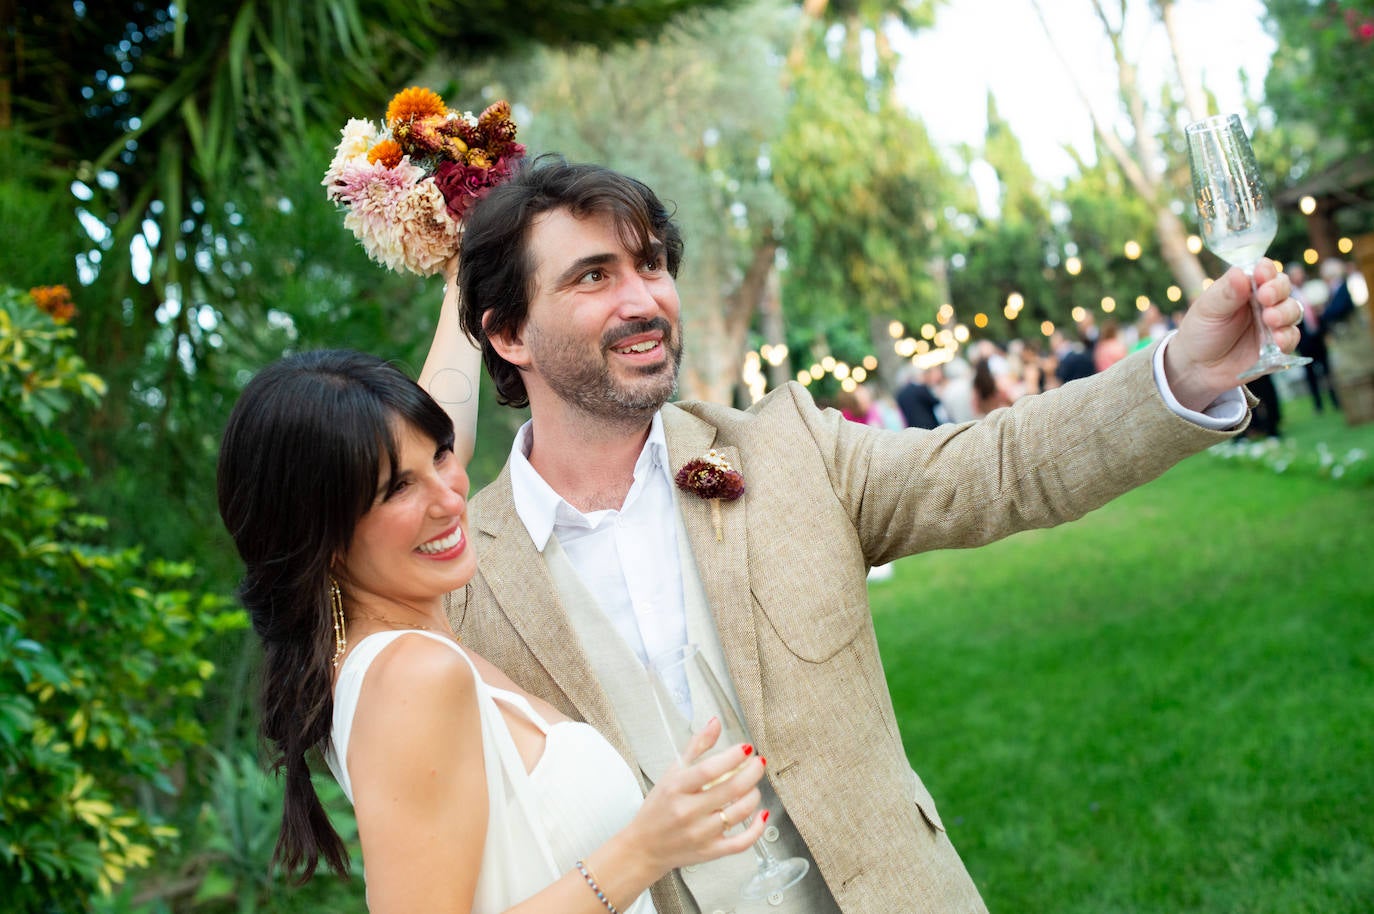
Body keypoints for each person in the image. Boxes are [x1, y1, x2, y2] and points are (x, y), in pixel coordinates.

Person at [440, 157, 1302, 914]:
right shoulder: (461, 578)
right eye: (593, 277)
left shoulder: (789, 451)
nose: (644, 299)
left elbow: (1002, 467)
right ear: (507, 332)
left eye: (652, 265)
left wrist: (1183, 373)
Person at [215, 349, 768, 914]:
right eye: (399, 489)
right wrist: (643, 851)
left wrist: (458, 284)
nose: (450, 497)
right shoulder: (414, 676)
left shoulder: (378, 651)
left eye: (441, 454)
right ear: (322, 533)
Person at [1290, 264, 1340, 413]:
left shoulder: (1312, 289)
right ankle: (1318, 404)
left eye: (1301, 273)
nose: (1299, 277)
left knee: (1327, 369)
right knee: (1310, 374)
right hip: (1304, 339)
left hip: (1317, 335)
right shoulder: (1290, 295)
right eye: (1296, 274)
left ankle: (1335, 400)